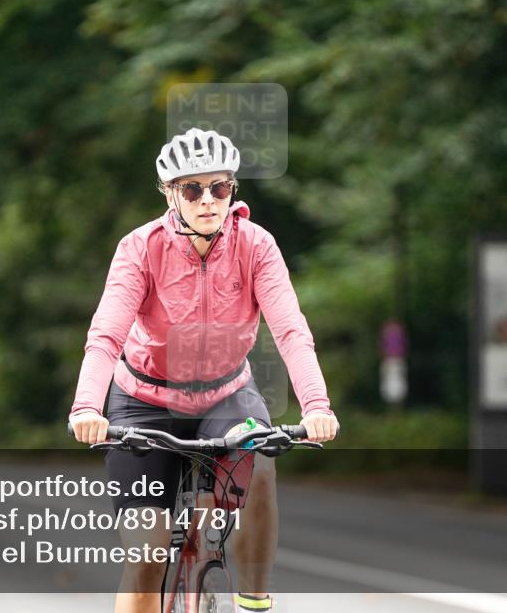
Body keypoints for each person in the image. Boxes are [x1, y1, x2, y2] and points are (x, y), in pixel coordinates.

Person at [68, 127, 339, 613]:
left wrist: (316, 405)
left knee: (259, 470)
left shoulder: (256, 246)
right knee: (147, 556)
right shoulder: (140, 248)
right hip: (144, 400)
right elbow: (106, 335)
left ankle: (253, 598)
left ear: (233, 190)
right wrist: (88, 406)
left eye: (219, 187)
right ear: (170, 193)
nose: (208, 200)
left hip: (226, 395)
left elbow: (291, 331)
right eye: (192, 189)